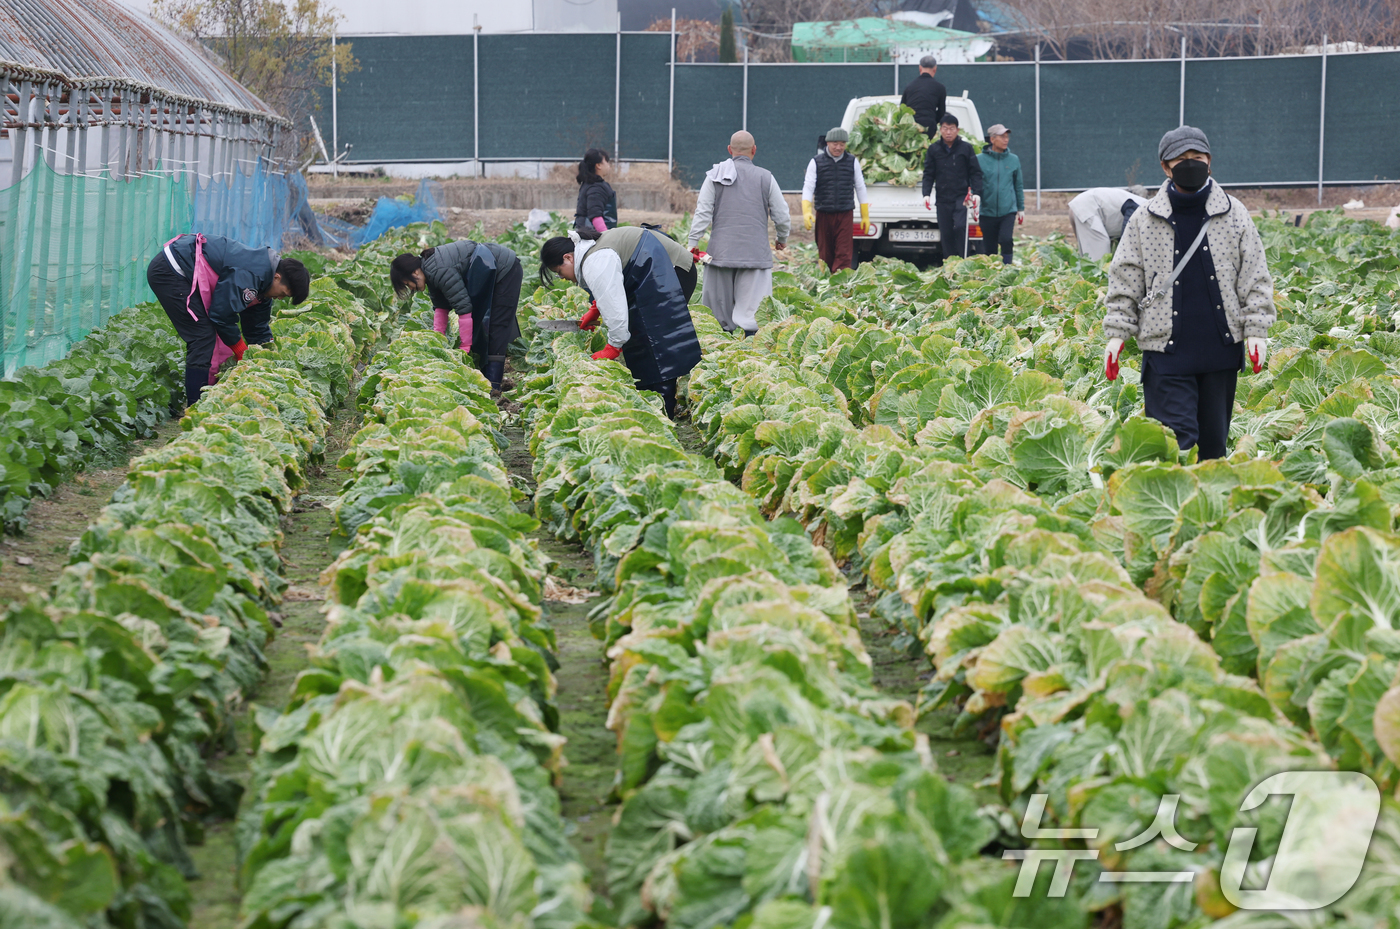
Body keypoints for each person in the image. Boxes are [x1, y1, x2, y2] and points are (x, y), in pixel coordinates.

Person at [1102, 126, 1275, 461]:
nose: (1190, 164)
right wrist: (1116, 335)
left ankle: (1207, 513)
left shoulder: (1233, 212)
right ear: (1166, 167)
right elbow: (1125, 279)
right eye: (1181, 159)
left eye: (1197, 157)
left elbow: (1254, 274)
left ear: (1210, 161)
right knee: (1176, 446)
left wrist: (1256, 331)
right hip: (1166, 352)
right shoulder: (1144, 219)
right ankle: (1174, 507)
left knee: (1212, 450)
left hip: (1219, 351)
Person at [538, 227, 700, 418]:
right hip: (651, 269)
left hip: (673, 269)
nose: (562, 277)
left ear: (568, 257)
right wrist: (596, 308)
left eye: (559, 272)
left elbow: (615, 309)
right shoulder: (589, 250)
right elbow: (614, 280)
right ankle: (650, 397)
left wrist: (613, 347)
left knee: (656, 340)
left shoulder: (594, 261)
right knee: (641, 334)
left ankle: (664, 409)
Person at [146, 233, 309, 406]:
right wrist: (239, 349)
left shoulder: (265, 283)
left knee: (214, 336)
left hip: (185, 269)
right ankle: (196, 407)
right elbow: (222, 315)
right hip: (171, 269)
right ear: (277, 277)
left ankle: (209, 396)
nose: (280, 298)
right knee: (202, 337)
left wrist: (266, 357)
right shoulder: (252, 273)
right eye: (283, 293)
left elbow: (257, 327)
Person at [687, 130, 791, 336]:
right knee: (752, 315)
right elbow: (782, 214)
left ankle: (718, 352)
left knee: (718, 317)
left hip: (720, 255)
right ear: (754, 150)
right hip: (755, 256)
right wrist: (782, 238)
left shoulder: (714, 175)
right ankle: (749, 349)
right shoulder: (766, 177)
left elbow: (703, 212)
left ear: (729, 150)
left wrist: (693, 241)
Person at [389, 239, 523, 393]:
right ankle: (484, 374)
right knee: (481, 323)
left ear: (415, 273)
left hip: (505, 269)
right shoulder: (429, 271)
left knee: (496, 324)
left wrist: (464, 347)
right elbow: (441, 308)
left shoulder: (437, 270)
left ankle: (494, 383)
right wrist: (437, 340)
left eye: (408, 283)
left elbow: (464, 309)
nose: (411, 288)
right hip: (487, 269)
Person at [801, 127, 869, 273]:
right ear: (827, 143)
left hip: (845, 213)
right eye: (835, 144)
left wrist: (865, 215)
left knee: (844, 252)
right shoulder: (816, 162)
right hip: (823, 214)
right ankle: (826, 281)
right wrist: (806, 212)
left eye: (842, 144)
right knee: (825, 253)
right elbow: (808, 187)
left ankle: (840, 284)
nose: (838, 147)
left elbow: (860, 187)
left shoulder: (852, 162)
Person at [921, 113, 983, 262]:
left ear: (957, 130)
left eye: (952, 128)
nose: (948, 132)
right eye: (945, 128)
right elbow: (928, 173)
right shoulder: (934, 149)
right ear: (940, 130)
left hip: (961, 197)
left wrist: (977, 193)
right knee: (946, 232)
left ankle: (963, 261)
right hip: (942, 198)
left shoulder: (966, 148)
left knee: (960, 227)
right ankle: (949, 264)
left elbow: (975, 172)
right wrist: (926, 194)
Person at [975, 124, 1024, 265]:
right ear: (992, 139)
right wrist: (974, 199)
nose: (1006, 140)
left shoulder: (1013, 159)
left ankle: (1007, 266)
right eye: (1002, 137)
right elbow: (974, 182)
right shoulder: (980, 160)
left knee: (1006, 239)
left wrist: (1021, 208)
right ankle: (993, 273)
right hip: (986, 211)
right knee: (989, 246)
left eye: (1007, 136)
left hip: (1007, 210)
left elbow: (1018, 185)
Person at [1068, 187, 1150, 260]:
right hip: (1088, 207)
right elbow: (1128, 232)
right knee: (1100, 256)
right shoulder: (1146, 208)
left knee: (1089, 255)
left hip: (1084, 207)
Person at [899, 54, 947, 135]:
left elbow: (902, 108)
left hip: (911, 126)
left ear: (920, 68)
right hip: (929, 126)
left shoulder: (910, 86)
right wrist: (934, 122)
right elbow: (941, 112)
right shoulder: (940, 88)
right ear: (935, 69)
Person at [573, 148, 618, 235]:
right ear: (598, 165)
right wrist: (606, 237)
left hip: (586, 235)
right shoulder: (596, 188)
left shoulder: (589, 184)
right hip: (592, 238)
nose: (609, 165)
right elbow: (595, 215)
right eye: (607, 162)